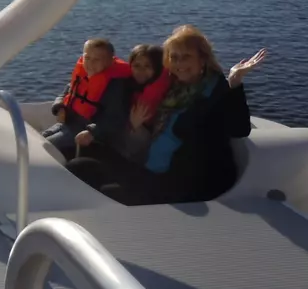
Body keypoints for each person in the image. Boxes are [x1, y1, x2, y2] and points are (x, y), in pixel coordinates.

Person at [68, 25, 267, 205]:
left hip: (186, 182)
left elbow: (239, 128)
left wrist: (235, 83)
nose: (179, 63)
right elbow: (135, 81)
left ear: (203, 58)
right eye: (174, 57)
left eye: (186, 56)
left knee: (108, 192)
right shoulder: (174, 87)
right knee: (81, 163)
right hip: (152, 167)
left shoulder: (214, 90)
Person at [73, 43, 170, 158]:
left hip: (133, 155)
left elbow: (139, 147)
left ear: (157, 68)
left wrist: (135, 127)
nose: (141, 71)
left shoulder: (158, 95)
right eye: (136, 65)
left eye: (147, 66)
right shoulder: (124, 84)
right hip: (107, 136)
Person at [42, 38, 132, 160]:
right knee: (40, 138)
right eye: (87, 58)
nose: (90, 63)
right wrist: (60, 107)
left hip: (88, 132)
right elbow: (67, 92)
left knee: (46, 146)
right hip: (69, 123)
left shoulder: (114, 86)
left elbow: (114, 119)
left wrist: (92, 132)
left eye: (96, 60)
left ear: (110, 62)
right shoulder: (83, 76)